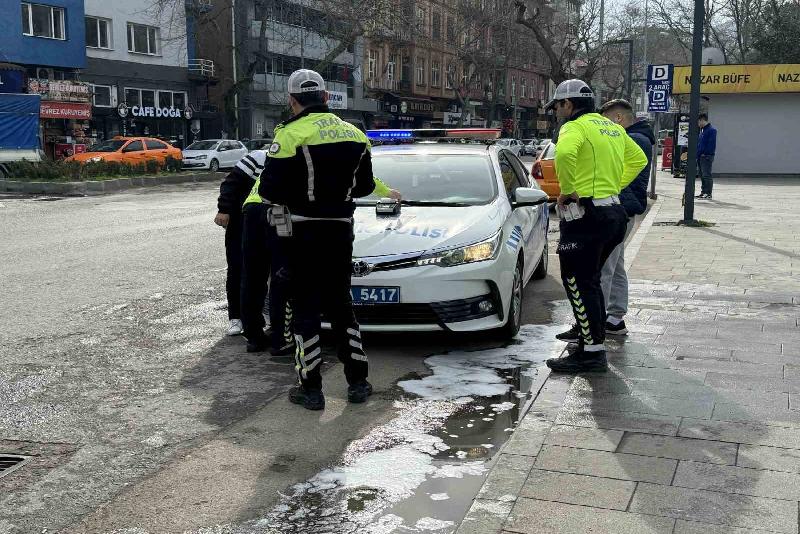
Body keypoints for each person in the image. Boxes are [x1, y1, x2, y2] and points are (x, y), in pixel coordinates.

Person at [257, 69, 380, 411]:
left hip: (300, 232)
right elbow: (366, 187)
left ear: (292, 100)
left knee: (306, 307)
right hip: (340, 229)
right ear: (326, 98)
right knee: (342, 305)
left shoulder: (290, 134)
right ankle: (358, 382)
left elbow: (268, 189)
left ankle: (311, 389)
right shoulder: (355, 133)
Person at [545, 80, 647, 373]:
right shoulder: (611, 127)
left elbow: (564, 155)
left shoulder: (574, 127)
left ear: (568, 104)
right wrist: (613, 186)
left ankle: (592, 353)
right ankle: (588, 334)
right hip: (614, 213)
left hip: (586, 215)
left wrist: (568, 189)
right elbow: (639, 159)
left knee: (578, 281)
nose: (556, 113)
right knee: (590, 280)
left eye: (557, 107)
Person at [596, 98, 655, 336]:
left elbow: (615, 174)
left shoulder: (632, 140)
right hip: (626, 209)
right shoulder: (640, 138)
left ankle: (595, 321)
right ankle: (615, 317)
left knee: (604, 267)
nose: (604, 127)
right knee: (616, 264)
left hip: (620, 209)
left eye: (606, 120)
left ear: (618, 118)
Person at [215, 168, 248, 336]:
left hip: (272, 224)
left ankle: (259, 317)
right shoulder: (257, 158)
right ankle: (235, 318)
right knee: (236, 270)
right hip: (240, 224)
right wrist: (224, 209)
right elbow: (229, 183)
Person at [695, 113, 717, 200]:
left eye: (698, 122)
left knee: (706, 175)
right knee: (702, 175)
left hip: (706, 156)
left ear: (702, 120)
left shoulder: (711, 130)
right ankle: (703, 192)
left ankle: (708, 193)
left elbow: (711, 145)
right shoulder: (702, 130)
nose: (698, 124)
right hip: (700, 156)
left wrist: (705, 153)